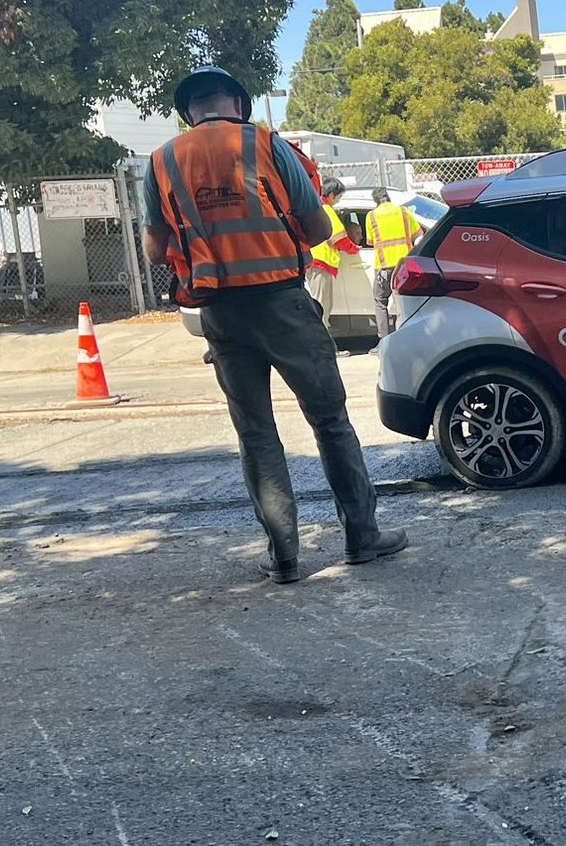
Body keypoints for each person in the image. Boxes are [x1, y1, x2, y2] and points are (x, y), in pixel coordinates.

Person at [142, 66, 406, 582]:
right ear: (237, 103)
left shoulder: (163, 161)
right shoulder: (265, 143)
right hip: (282, 303)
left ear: (186, 112)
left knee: (257, 433)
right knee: (329, 421)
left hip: (218, 311)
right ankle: (361, 537)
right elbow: (317, 225)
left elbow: (154, 249)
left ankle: (284, 557)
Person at [364, 187, 424, 340]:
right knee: (402, 303)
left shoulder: (371, 216)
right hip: (404, 266)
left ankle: (384, 339)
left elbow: (370, 242)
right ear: (388, 198)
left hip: (383, 267)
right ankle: (405, 337)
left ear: (375, 201)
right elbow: (418, 236)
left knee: (380, 302)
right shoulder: (404, 212)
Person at [306, 177, 362, 330]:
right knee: (321, 305)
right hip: (320, 262)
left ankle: (326, 345)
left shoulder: (318, 207)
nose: (338, 200)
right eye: (338, 197)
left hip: (318, 262)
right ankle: (320, 347)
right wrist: (355, 249)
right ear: (331, 195)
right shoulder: (326, 210)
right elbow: (339, 238)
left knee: (324, 305)